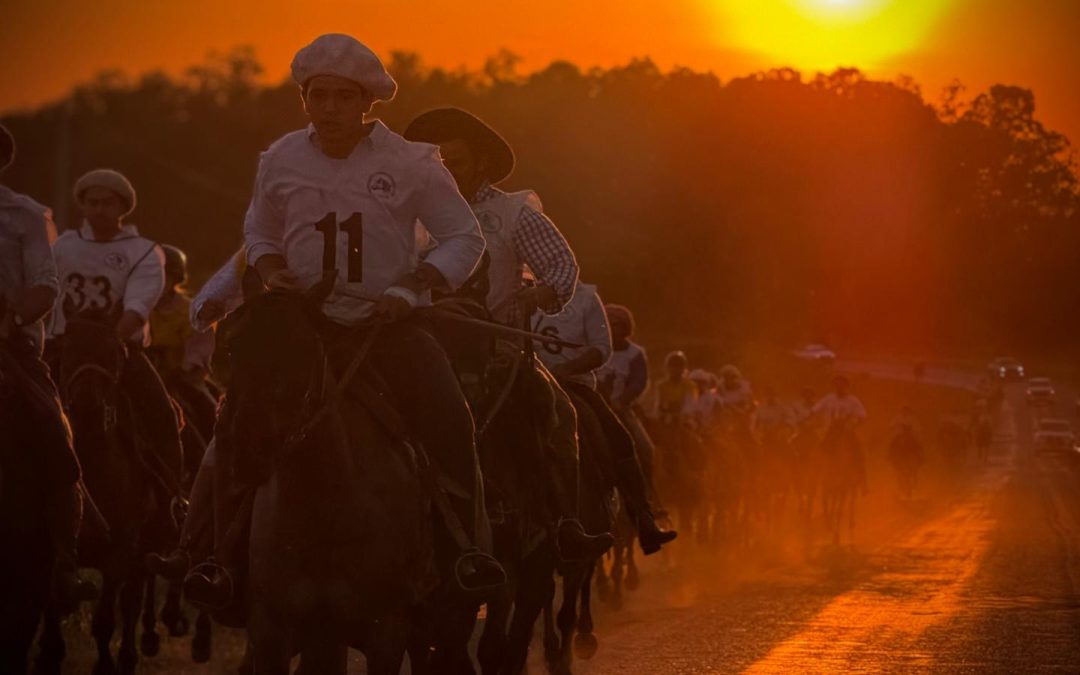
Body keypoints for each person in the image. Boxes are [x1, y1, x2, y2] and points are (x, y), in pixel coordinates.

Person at [176, 34, 505, 608]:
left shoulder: (413, 163)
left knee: (450, 417)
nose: (328, 109)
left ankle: (465, 554)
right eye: (317, 96)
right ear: (304, 100)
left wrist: (412, 287)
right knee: (235, 421)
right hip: (299, 327)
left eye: (342, 97)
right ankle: (209, 557)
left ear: (367, 103)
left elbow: (463, 237)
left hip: (385, 325)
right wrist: (273, 267)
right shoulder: (279, 159)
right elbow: (259, 231)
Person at [403, 107, 612, 561]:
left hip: (496, 348)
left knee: (554, 410)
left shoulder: (512, 212)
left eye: (454, 162)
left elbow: (560, 267)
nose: (444, 172)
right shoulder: (407, 216)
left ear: (479, 164)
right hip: (419, 347)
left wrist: (538, 297)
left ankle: (562, 521)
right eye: (436, 163)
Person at [0, 123, 98, 609]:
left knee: (54, 437)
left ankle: (66, 561)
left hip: (12, 347)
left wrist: (11, 313)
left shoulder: (25, 215)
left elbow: (45, 283)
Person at [48, 168, 184, 502]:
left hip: (118, 351)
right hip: (65, 349)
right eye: (92, 202)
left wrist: (107, 341)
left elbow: (138, 307)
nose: (98, 210)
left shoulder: (144, 251)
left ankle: (171, 502)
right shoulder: (63, 246)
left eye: (107, 203)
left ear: (123, 208)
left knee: (162, 416)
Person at [532, 282, 676, 554]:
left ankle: (643, 519)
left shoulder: (587, 298)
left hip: (577, 386)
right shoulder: (516, 290)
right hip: (524, 384)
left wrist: (568, 368)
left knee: (628, 443)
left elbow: (601, 348)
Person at [148, 244, 218, 442]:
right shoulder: (134, 309)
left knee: (208, 412)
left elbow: (198, 353)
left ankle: (211, 454)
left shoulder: (192, 312)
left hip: (182, 381)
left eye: (163, 277)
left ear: (175, 279)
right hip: (146, 376)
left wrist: (184, 369)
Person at [597, 303, 655, 486]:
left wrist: (622, 400)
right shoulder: (595, 348)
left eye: (617, 324)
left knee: (645, 448)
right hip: (594, 403)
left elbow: (639, 381)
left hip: (620, 407)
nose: (612, 328)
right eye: (609, 323)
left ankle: (647, 492)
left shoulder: (635, 354)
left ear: (626, 328)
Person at [812, 375, 868, 493]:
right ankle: (813, 478)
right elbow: (815, 409)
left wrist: (853, 425)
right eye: (837, 385)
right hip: (831, 431)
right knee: (818, 452)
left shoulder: (853, 400)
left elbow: (862, 416)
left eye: (842, 385)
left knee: (859, 452)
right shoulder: (829, 398)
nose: (839, 387)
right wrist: (809, 417)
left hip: (847, 432)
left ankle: (863, 482)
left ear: (846, 387)